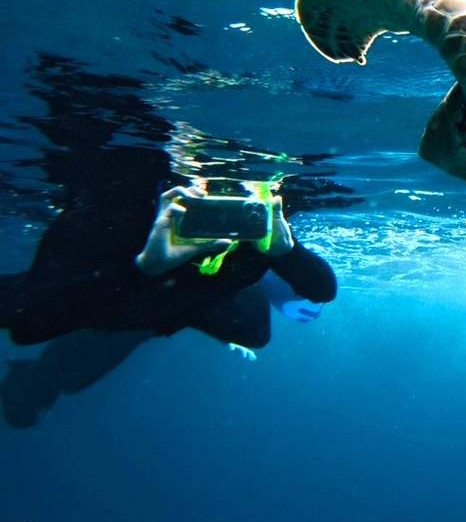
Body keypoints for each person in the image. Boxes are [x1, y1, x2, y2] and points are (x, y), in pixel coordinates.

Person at [0, 55, 336, 426]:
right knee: (50, 318)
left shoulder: (257, 215)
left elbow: (322, 288)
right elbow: (28, 322)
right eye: (201, 196)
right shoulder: (123, 206)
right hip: (128, 295)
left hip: (171, 303)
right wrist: (145, 267)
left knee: (253, 331)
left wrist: (286, 252)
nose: (217, 205)